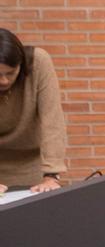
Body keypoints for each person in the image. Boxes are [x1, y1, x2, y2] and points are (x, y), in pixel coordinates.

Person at [0, 29, 66, 195]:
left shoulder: (38, 62)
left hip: (32, 167)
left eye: (10, 73)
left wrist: (51, 175)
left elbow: (52, 120)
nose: (4, 81)